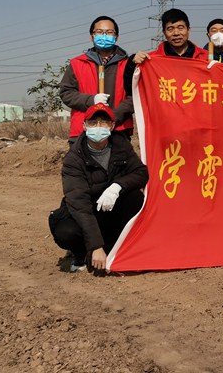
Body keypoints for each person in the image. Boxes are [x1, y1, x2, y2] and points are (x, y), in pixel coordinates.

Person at [48, 103, 148, 272]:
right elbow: (80, 206)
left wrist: (117, 187)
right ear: (84, 126)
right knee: (66, 232)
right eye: (93, 123)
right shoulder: (74, 159)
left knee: (135, 200)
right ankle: (81, 253)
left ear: (112, 125)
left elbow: (141, 172)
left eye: (104, 122)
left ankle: (114, 249)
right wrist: (95, 246)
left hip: (109, 208)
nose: (98, 127)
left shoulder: (120, 145)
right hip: (86, 210)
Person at [60, 15, 133, 142]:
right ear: (91, 36)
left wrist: (113, 117)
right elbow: (66, 92)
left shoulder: (128, 65)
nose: (104, 36)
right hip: (83, 132)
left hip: (119, 131)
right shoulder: (77, 63)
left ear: (116, 36)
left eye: (109, 32)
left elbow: (135, 96)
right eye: (99, 32)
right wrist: (91, 100)